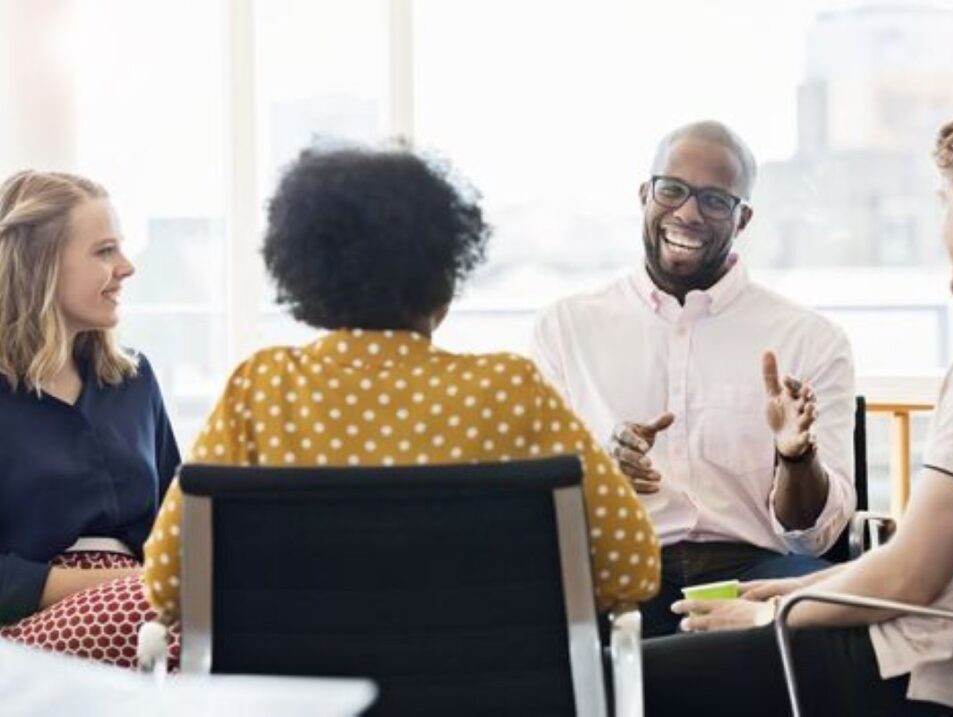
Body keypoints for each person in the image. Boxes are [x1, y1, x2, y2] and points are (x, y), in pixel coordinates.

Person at [143, 147, 661, 621]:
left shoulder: (260, 390)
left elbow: (169, 583)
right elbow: (632, 567)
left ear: (307, 276)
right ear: (445, 276)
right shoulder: (510, 390)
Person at [643, 100, 953, 716]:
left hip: (913, 664)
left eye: (942, 204)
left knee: (631, 684)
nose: (941, 229)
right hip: (931, 645)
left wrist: (770, 612)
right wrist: (798, 586)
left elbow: (909, 577)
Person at [531, 121, 856, 636]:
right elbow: (542, 500)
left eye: (713, 200)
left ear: (742, 218)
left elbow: (814, 540)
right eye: (673, 190)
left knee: (830, 619)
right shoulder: (566, 328)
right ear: (645, 194)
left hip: (754, 572)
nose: (688, 212)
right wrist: (602, 467)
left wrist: (796, 457)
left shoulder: (811, 339)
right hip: (621, 568)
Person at [0, 170, 181, 667]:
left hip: (144, 608)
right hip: (27, 626)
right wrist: (131, 584)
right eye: (104, 251)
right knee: (181, 617)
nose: (126, 267)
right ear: (39, 266)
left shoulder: (135, 379)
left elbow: (174, 520)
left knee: (243, 608)